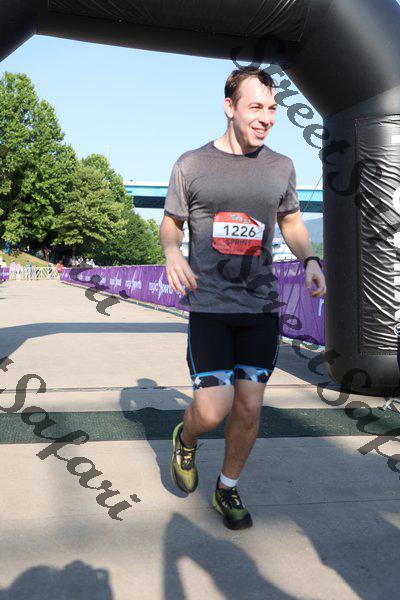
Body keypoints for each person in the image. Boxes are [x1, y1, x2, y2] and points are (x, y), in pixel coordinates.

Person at [159, 66, 326, 531]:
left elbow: (291, 220)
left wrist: (310, 259)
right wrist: (172, 252)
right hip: (210, 307)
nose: (266, 118)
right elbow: (171, 222)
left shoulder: (281, 167)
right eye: (256, 107)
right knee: (213, 409)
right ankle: (186, 438)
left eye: (272, 109)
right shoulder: (191, 164)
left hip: (260, 308)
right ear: (229, 107)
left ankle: (227, 487)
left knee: (249, 407)